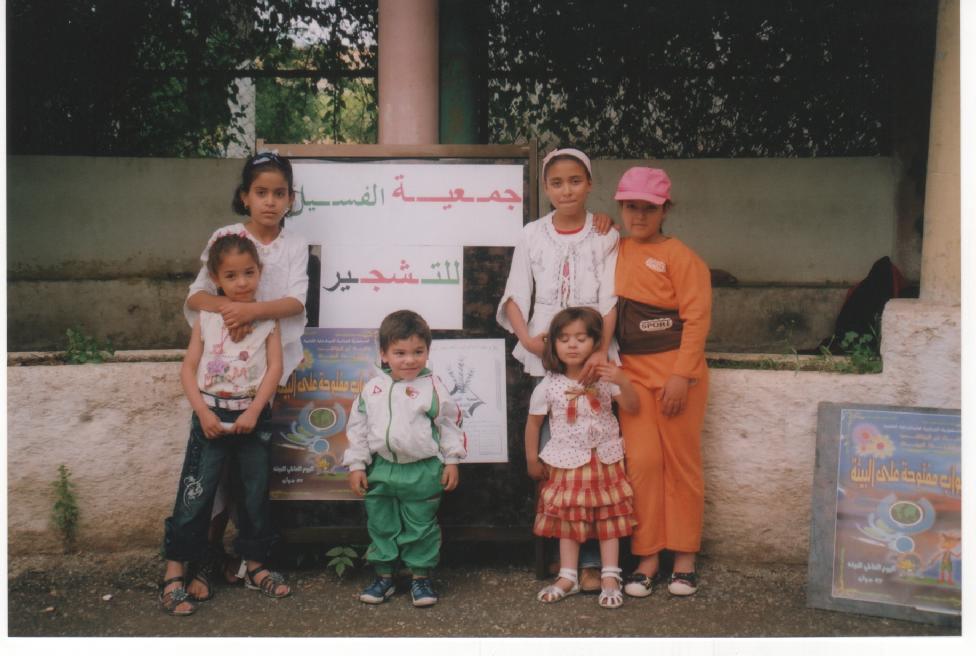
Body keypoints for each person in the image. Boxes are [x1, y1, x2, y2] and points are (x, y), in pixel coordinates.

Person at [183, 151, 309, 587]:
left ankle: (252, 558)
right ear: (244, 196)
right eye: (261, 192)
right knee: (215, 472)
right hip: (220, 373)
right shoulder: (227, 237)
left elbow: (296, 302)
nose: (270, 201)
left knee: (251, 469)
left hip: (267, 370)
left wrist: (252, 313)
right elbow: (198, 296)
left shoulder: (294, 246)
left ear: (291, 199)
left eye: (279, 193)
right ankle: (207, 554)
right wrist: (230, 310)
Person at [496, 147, 618, 591]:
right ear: (546, 188)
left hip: (592, 353)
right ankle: (560, 555)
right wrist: (528, 338)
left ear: (589, 184)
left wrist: (599, 351)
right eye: (557, 183)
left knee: (592, 455)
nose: (566, 190)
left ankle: (592, 562)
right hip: (546, 354)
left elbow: (610, 299)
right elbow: (515, 294)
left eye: (575, 181)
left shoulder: (605, 235)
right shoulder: (531, 234)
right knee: (556, 457)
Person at [159, 234, 292, 616]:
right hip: (211, 418)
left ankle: (256, 565)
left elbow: (275, 368)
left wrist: (254, 411)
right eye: (231, 276)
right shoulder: (207, 318)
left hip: (253, 418)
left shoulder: (268, 320)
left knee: (254, 493)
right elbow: (188, 368)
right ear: (216, 279)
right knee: (195, 492)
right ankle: (175, 571)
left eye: (249, 273)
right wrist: (203, 413)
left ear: (259, 272)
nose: (242, 282)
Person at [612, 167, 711, 597]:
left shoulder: (681, 256)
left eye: (648, 208)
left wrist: (681, 375)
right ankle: (648, 555)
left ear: (665, 210)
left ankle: (684, 556)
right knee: (643, 463)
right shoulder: (613, 247)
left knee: (680, 462)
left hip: (676, 375)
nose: (638, 216)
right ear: (620, 208)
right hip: (631, 375)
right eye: (630, 207)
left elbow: (697, 318)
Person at [342, 310, 467, 608]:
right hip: (381, 468)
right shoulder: (372, 389)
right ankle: (384, 576)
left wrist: (452, 460)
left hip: (422, 470)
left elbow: (449, 424)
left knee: (421, 525)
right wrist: (357, 464)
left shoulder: (433, 388)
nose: (410, 360)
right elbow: (358, 427)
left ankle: (420, 577)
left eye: (418, 352)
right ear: (384, 354)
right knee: (381, 523)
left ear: (428, 352)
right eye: (400, 353)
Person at [528, 306, 639, 609]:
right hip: (567, 462)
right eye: (564, 339)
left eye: (581, 338)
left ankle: (610, 575)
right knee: (568, 518)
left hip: (604, 460)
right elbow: (534, 424)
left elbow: (632, 407)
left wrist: (623, 380)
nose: (573, 345)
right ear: (553, 344)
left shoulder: (605, 379)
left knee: (608, 518)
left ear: (595, 342)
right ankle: (568, 576)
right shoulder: (549, 385)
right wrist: (532, 459)